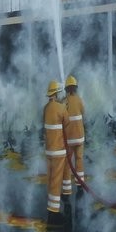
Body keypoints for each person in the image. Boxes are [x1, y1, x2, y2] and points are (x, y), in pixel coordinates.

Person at [42, 80, 71, 219]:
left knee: (52, 178)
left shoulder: (46, 108)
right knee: (56, 180)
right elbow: (67, 122)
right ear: (56, 94)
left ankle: (64, 194)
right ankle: (53, 211)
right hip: (59, 151)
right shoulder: (61, 108)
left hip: (49, 150)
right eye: (60, 92)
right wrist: (65, 107)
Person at [63, 75, 86, 194]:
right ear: (75, 88)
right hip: (79, 138)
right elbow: (83, 112)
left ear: (66, 89)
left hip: (69, 139)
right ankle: (80, 185)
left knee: (68, 163)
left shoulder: (64, 102)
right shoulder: (79, 100)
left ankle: (67, 189)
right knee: (79, 160)